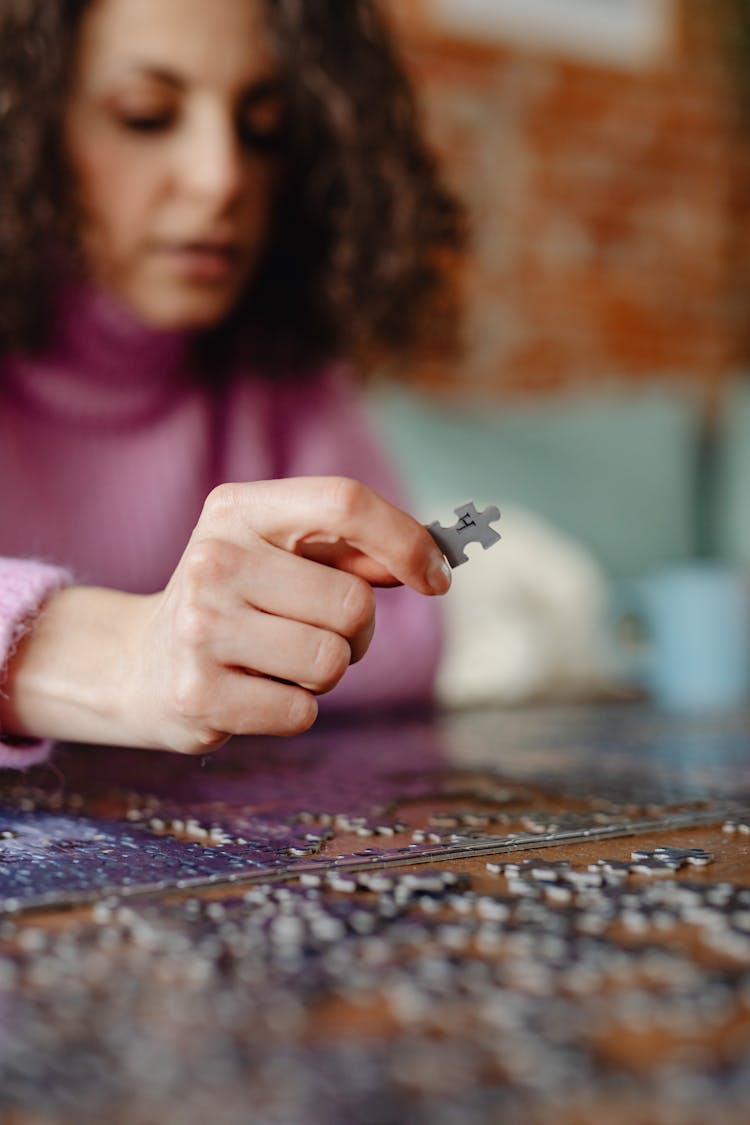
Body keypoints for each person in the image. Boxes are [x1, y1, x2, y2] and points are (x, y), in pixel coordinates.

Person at [0, 0, 465, 768]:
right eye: (145, 116)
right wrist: (112, 653)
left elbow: (411, 638)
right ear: (25, 128)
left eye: (267, 131)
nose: (223, 178)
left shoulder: (281, 362)